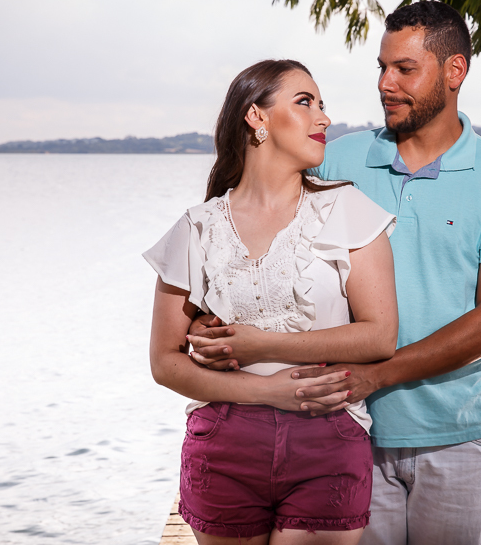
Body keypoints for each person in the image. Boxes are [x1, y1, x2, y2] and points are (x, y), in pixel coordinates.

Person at [189, 2, 481, 544]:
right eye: (381, 67)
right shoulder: (335, 162)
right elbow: (248, 231)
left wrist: (378, 374)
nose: (385, 84)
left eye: (405, 69)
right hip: (340, 430)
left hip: (457, 435)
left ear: (455, 71)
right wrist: (215, 327)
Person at [144, 59, 399, 544]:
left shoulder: (346, 209)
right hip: (223, 446)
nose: (324, 117)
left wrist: (262, 345)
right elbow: (164, 362)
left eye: (322, 105)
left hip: (326, 439)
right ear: (256, 116)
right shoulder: (197, 227)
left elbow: (380, 336)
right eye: (305, 102)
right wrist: (265, 391)